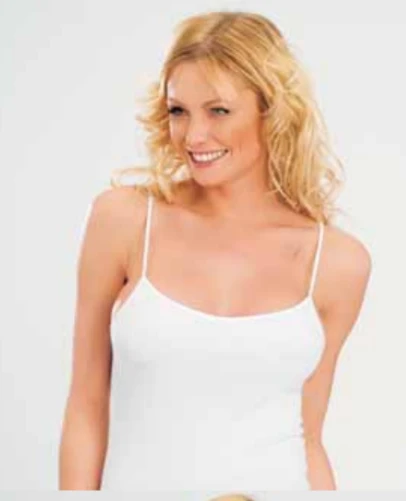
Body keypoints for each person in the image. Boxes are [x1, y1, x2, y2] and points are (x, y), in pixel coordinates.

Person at [58, 10, 372, 496]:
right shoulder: (124, 221)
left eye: (218, 111)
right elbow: (86, 406)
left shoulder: (336, 263)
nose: (194, 136)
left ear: (271, 111)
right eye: (178, 111)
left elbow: (309, 437)